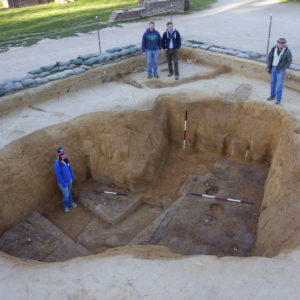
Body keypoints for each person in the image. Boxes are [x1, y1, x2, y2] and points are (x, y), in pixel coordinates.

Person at [267, 37, 292, 105]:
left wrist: (283, 68)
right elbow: (269, 57)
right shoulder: (273, 49)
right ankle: (272, 95)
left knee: (279, 85)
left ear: (284, 44)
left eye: (282, 43)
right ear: (277, 43)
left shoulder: (287, 51)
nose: (281, 44)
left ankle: (278, 99)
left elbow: (289, 62)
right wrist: (269, 66)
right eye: (279, 43)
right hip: (273, 68)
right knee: (272, 82)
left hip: (280, 70)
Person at [54, 147, 77, 213]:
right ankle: (65, 206)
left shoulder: (66, 159)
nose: (65, 154)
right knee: (66, 195)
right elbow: (58, 175)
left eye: (65, 153)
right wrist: (63, 183)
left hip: (69, 180)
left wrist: (72, 176)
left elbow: (69, 168)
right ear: (60, 155)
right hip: (63, 183)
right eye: (63, 154)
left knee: (69, 192)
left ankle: (71, 202)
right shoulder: (57, 164)